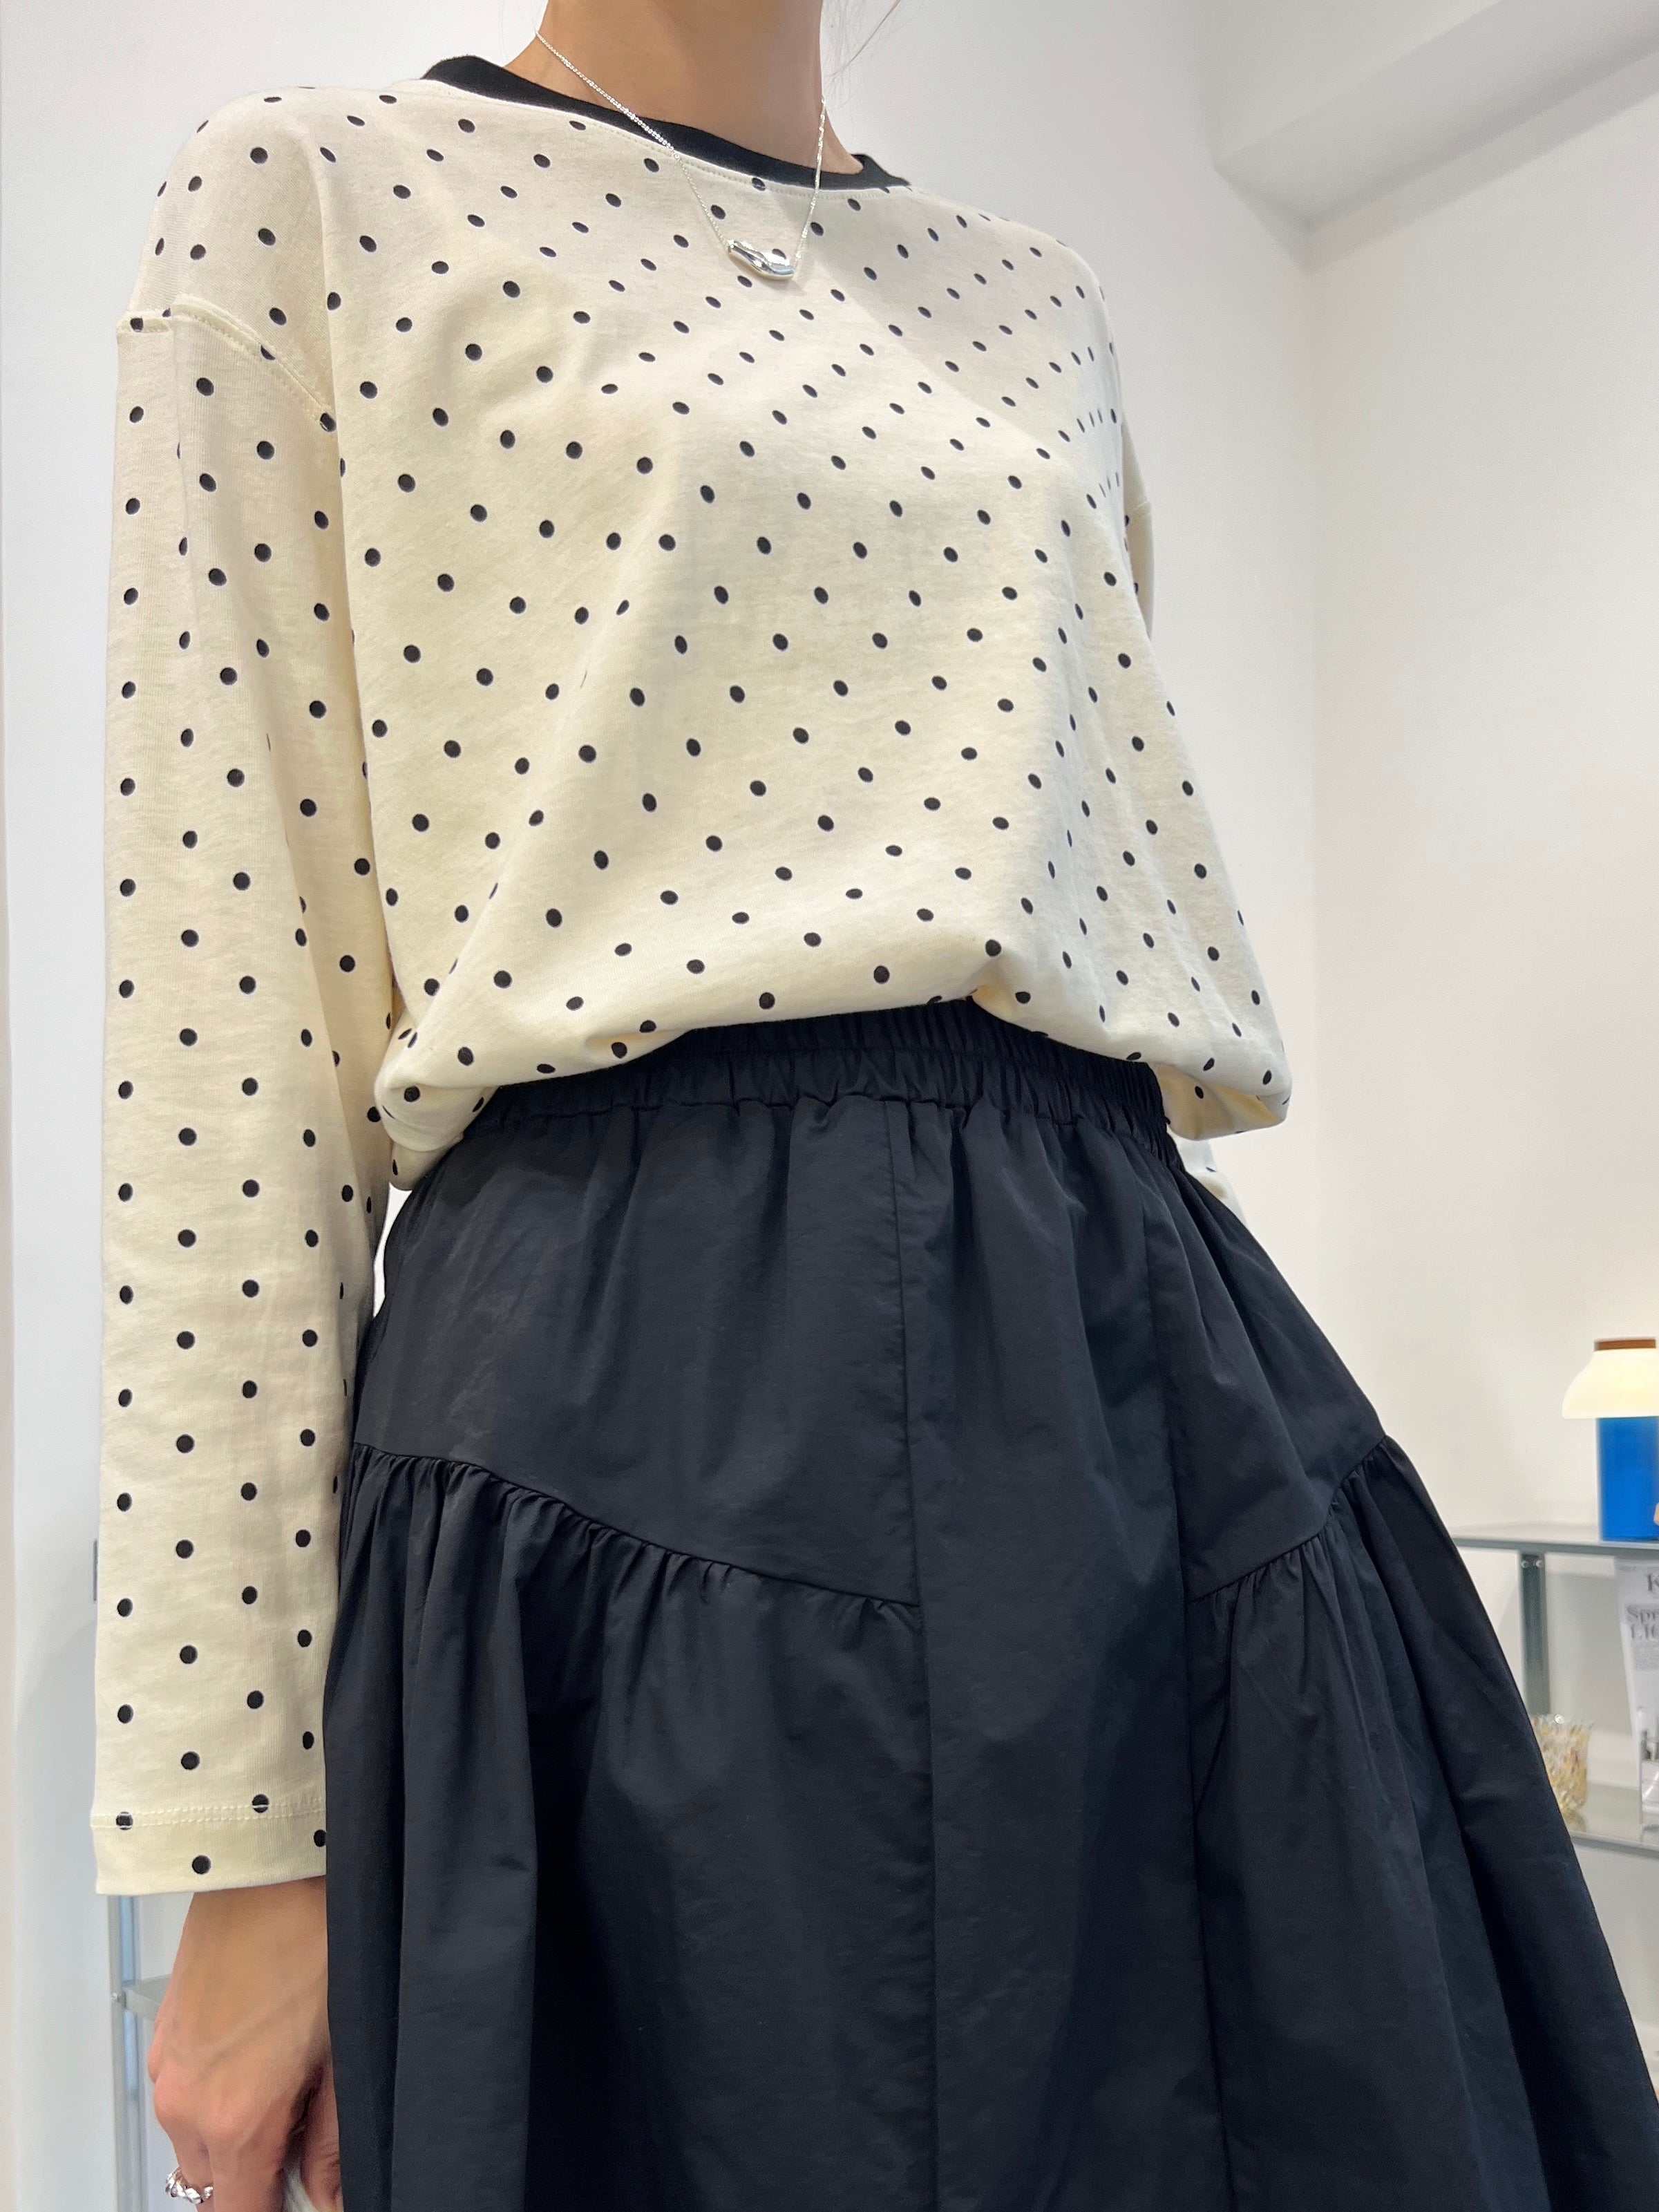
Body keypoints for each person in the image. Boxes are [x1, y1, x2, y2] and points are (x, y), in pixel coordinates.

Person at [95, 8, 1659, 2210]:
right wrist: (243, 1847)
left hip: (1140, 1372)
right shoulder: (312, 194)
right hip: (609, 1401)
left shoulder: (1040, 301)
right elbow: (223, 1047)